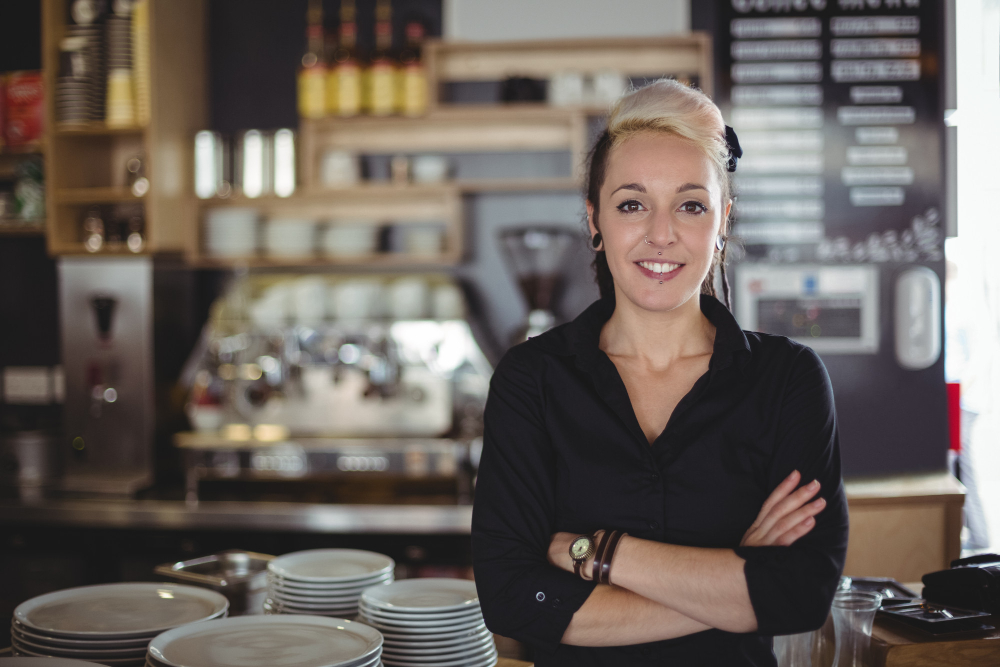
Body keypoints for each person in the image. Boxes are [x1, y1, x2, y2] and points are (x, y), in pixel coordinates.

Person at [471, 79, 849, 666]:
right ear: (594, 220)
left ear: (723, 220)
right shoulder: (532, 380)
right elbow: (513, 600)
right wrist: (736, 578)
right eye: (632, 203)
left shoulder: (788, 380)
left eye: (691, 205)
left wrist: (599, 555)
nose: (661, 233)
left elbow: (800, 595)